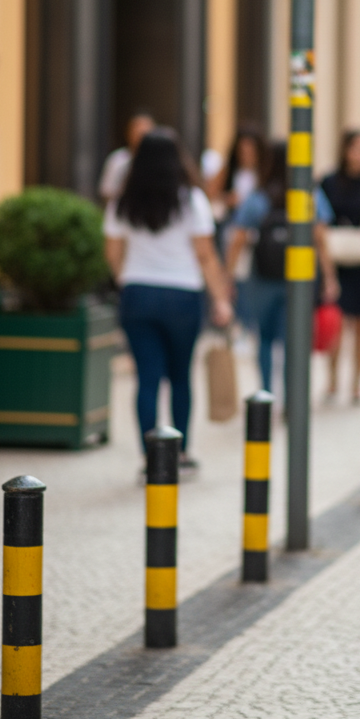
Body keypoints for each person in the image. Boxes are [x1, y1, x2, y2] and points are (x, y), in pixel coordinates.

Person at [104, 128, 233, 471]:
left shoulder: (123, 201)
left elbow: (113, 252)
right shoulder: (191, 200)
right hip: (182, 296)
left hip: (137, 293)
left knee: (146, 378)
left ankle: (150, 457)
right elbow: (206, 255)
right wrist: (220, 298)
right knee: (179, 375)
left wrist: (125, 280)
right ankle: (181, 452)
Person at [225, 143, 339, 392]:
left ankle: (265, 393)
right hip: (299, 278)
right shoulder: (310, 195)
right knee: (294, 340)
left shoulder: (258, 197)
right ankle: (292, 399)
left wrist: (228, 276)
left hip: (263, 277)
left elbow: (238, 239)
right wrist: (330, 277)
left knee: (264, 338)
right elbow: (320, 239)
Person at [320, 132, 360, 401]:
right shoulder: (329, 181)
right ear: (345, 150)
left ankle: (357, 383)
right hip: (335, 261)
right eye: (355, 149)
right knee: (336, 322)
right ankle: (332, 380)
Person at [98, 112, 156, 201]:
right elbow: (107, 193)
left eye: (145, 131)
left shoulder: (160, 161)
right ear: (128, 132)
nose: (140, 134)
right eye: (137, 129)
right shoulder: (117, 159)